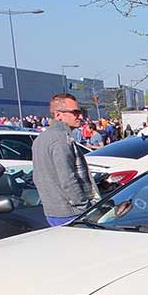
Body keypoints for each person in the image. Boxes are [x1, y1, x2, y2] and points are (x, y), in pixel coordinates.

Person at [32, 93, 98, 227]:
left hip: (54, 211)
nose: (80, 116)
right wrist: (83, 206)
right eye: (75, 112)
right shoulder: (61, 139)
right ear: (58, 115)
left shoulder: (41, 139)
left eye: (80, 112)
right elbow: (68, 179)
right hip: (70, 212)